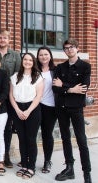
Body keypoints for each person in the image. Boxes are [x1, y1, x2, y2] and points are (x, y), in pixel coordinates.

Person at [52, 39, 92, 183]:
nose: (69, 50)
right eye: (66, 48)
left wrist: (64, 86)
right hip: (61, 108)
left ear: (77, 48)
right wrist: (70, 88)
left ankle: (87, 174)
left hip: (76, 109)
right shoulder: (60, 67)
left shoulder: (85, 67)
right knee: (65, 139)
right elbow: (55, 88)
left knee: (82, 140)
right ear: (64, 51)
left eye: (72, 47)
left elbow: (83, 88)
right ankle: (69, 169)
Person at [9, 53, 43, 179]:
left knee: (30, 139)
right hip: (17, 109)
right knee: (22, 138)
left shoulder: (38, 77)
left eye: (30, 60)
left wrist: (28, 111)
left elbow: (38, 96)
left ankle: (31, 167)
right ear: (22, 61)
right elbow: (11, 95)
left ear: (33, 62)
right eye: (25, 59)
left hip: (32, 109)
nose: (27, 62)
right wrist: (17, 110)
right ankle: (24, 164)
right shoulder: (14, 77)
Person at [0, 30, 21, 168]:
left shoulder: (15, 55)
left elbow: (18, 76)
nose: (2, 40)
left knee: (7, 127)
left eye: (5, 38)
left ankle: (6, 155)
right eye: (0, 38)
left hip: (9, 96)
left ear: (9, 40)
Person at [36, 46, 57, 174]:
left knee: (47, 134)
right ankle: (29, 158)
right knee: (32, 133)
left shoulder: (56, 70)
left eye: (46, 54)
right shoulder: (35, 70)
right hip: (36, 106)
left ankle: (47, 161)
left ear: (50, 56)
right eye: (41, 55)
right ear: (37, 57)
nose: (43, 57)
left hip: (50, 107)